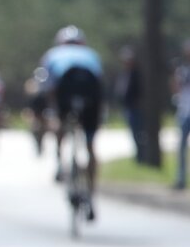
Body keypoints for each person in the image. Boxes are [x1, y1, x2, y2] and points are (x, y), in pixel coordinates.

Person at [41, 25, 104, 219]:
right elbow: (100, 83)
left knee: (59, 124)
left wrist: (53, 113)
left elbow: (47, 85)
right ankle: (91, 195)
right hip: (91, 96)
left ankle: (60, 161)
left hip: (65, 94)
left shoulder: (52, 54)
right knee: (90, 144)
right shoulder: (91, 54)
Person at [113, 46, 144, 163]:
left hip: (135, 108)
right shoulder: (125, 73)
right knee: (133, 133)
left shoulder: (136, 74)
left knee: (138, 133)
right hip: (128, 107)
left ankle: (141, 156)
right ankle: (138, 156)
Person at [170, 40, 190, 190]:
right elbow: (175, 89)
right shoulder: (181, 69)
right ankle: (181, 179)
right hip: (184, 111)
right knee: (181, 147)